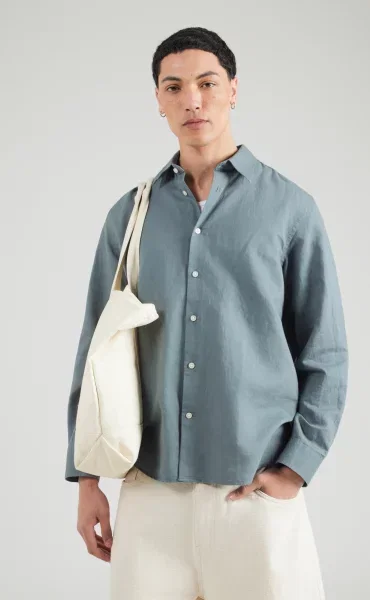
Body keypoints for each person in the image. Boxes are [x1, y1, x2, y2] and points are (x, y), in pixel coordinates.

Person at [65, 27, 349, 600]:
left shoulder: (289, 209)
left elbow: (325, 350)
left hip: (253, 491)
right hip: (151, 492)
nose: (192, 100)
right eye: (174, 87)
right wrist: (87, 478)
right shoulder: (131, 214)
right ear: (159, 100)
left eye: (207, 83)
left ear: (233, 89)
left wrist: (295, 467)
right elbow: (97, 344)